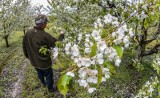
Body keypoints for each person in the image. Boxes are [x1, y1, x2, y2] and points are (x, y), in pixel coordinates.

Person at [22, 14, 64, 92]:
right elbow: (58, 44)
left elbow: (24, 45)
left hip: (33, 61)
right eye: (46, 23)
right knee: (48, 75)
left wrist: (27, 56)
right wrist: (61, 35)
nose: (46, 24)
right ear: (43, 24)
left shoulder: (28, 32)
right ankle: (50, 89)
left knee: (39, 72)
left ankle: (43, 83)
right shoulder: (45, 36)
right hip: (44, 62)